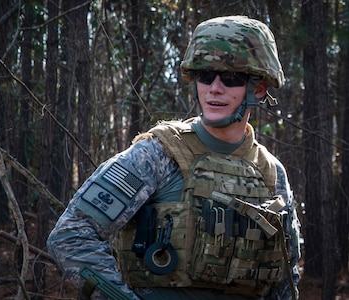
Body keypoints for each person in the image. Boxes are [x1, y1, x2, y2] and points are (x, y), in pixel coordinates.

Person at [47, 15, 301, 300]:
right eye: (205, 76)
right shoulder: (158, 153)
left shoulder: (270, 172)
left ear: (258, 88)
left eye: (231, 78)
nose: (214, 88)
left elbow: (285, 276)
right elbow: (71, 235)